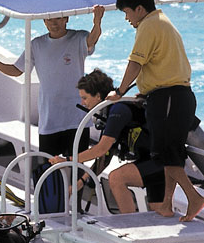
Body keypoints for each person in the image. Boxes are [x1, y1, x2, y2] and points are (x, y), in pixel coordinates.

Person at [109, 0, 204, 222]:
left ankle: (194, 198)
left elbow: (136, 63)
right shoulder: (161, 21)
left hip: (168, 98)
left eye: (127, 12)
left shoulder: (149, 26)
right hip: (176, 96)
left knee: (165, 154)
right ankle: (166, 204)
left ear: (140, 9)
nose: (126, 18)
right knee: (170, 154)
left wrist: (119, 91)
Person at [0, 5, 105, 157]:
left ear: (66, 19)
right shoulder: (36, 44)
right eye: (49, 19)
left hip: (77, 116)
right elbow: (17, 70)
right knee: (48, 166)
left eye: (58, 18)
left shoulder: (79, 38)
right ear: (44, 22)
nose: (54, 23)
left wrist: (97, 22)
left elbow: (92, 40)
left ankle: (77, 182)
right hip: (50, 118)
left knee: (78, 164)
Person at [49, 69, 165, 213]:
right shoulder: (109, 112)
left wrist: (67, 160)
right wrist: (80, 183)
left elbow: (101, 149)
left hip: (162, 161)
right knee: (159, 211)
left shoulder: (118, 109)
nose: (82, 103)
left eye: (85, 98)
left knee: (116, 178)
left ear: (98, 96)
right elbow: (105, 157)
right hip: (152, 160)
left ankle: (130, 226)